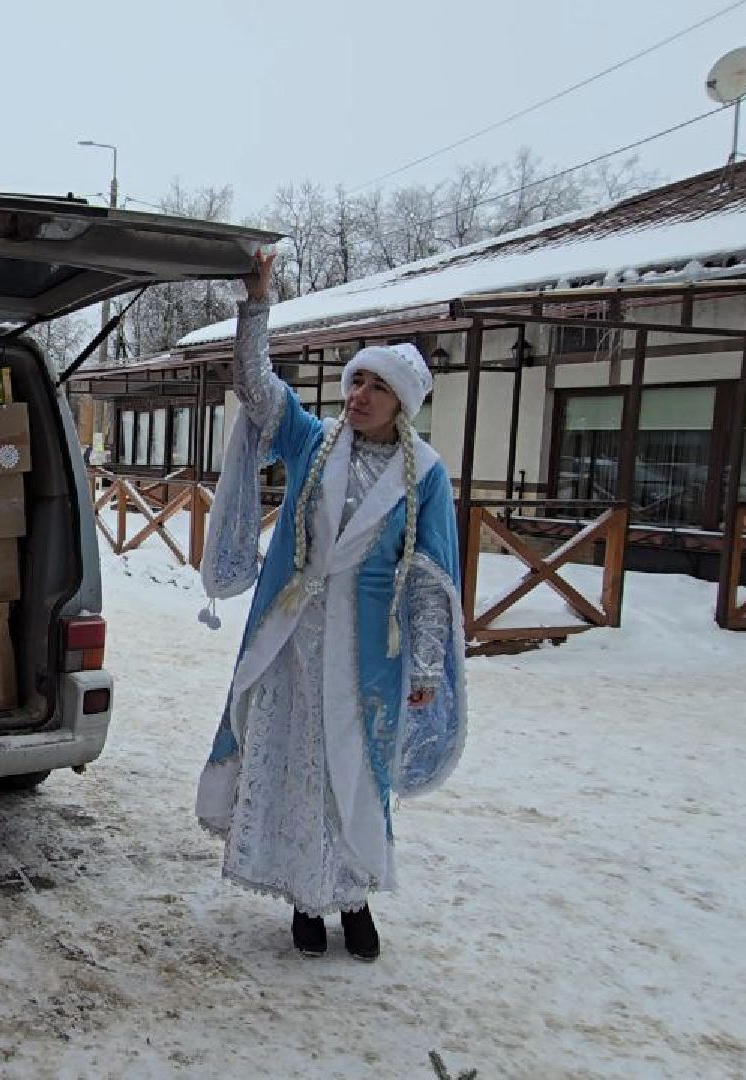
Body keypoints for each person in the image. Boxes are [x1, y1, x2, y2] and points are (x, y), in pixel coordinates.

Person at [194, 250, 468, 961]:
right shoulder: (315, 443)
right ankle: (302, 902)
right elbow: (257, 389)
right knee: (291, 762)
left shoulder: (426, 475)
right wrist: (257, 302)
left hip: (366, 656)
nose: (360, 395)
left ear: (402, 402)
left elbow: (432, 577)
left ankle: (355, 898)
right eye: (356, 382)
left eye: (377, 387)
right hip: (291, 637)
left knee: (354, 771)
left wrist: (427, 668)